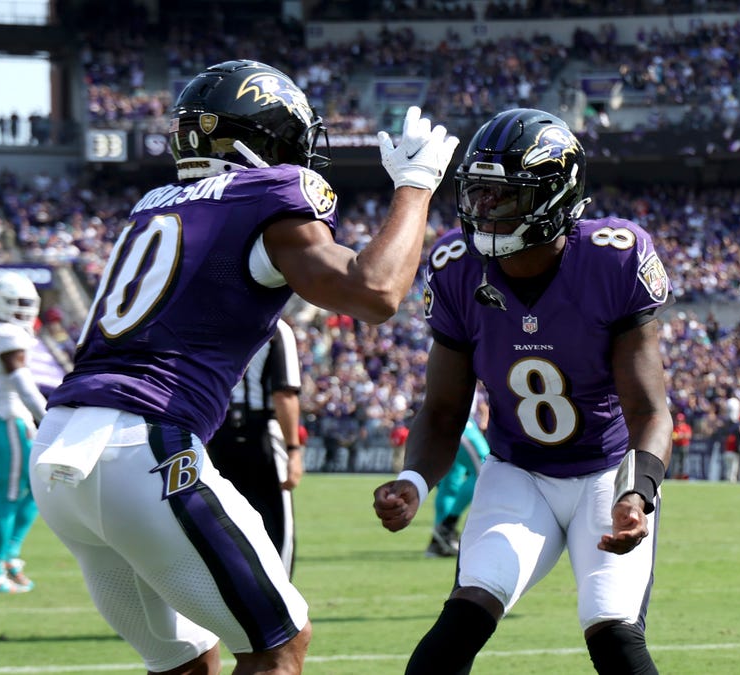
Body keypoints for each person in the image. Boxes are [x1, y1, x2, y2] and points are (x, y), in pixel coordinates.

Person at [29, 59, 458, 675]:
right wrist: (415, 187)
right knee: (279, 646)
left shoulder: (155, 205)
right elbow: (377, 293)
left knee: (187, 661)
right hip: (145, 443)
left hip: (62, 447)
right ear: (263, 140)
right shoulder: (269, 195)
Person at [372, 108, 673, 674]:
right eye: (477, 192)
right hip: (518, 473)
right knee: (456, 628)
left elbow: (650, 409)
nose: (482, 209)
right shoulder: (458, 266)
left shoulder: (614, 258)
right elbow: (442, 410)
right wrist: (414, 480)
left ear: (554, 200)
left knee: (613, 636)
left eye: (500, 196)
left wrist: (638, 493)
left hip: (606, 474)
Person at [206, 317, 304, 577]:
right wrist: (294, 451)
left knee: (227, 522)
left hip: (218, 432)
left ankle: (236, 594)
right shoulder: (275, 328)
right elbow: (284, 393)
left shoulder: (213, 324)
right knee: (277, 527)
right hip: (261, 434)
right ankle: (279, 600)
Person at [0, 272, 48, 592]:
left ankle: (9, 555)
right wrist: (47, 415)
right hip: (8, 420)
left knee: (38, 490)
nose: (25, 311)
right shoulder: (6, 335)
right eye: (19, 304)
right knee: (10, 496)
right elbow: (22, 384)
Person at [424, 397, 490, 558]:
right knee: (486, 470)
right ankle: (447, 526)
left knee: (451, 480)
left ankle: (438, 542)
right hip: (459, 422)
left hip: (444, 421)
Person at [670, 412, 692, 479]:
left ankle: (684, 476)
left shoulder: (686, 427)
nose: (679, 422)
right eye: (677, 420)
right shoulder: (675, 427)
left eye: (680, 420)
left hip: (684, 446)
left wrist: (681, 436)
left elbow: (689, 435)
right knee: (675, 461)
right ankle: (675, 475)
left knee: (684, 461)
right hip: (676, 446)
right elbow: (672, 436)